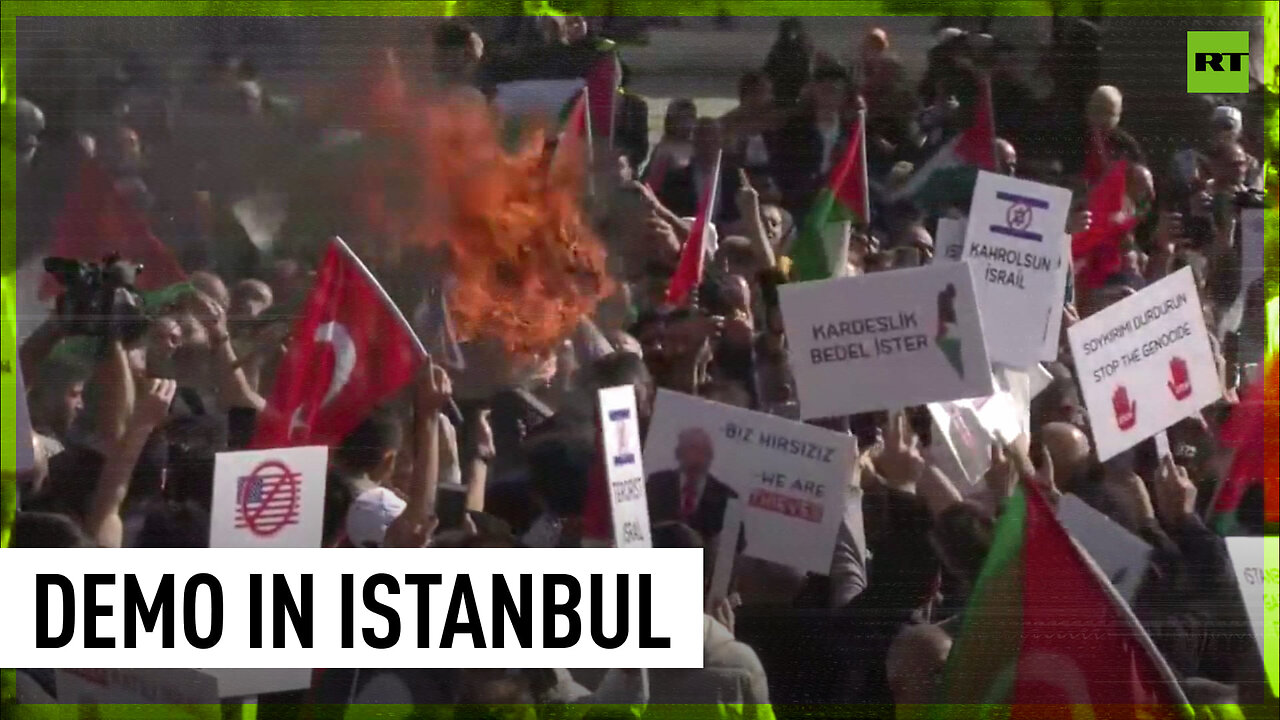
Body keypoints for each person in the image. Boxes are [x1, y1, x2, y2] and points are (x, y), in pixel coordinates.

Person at [646, 426, 736, 537]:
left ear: (711, 457)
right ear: (678, 453)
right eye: (692, 448)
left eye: (704, 451)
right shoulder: (657, 484)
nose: (698, 457)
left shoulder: (725, 496)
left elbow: (736, 543)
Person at [764, 18, 814, 108]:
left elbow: (769, 69)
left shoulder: (797, 50)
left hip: (788, 89)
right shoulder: (795, 50)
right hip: (786, 89)